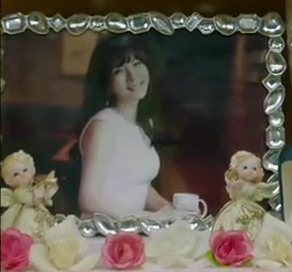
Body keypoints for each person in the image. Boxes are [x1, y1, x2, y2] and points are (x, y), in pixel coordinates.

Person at [76, 35, 173, 217]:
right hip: (104, 228)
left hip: (132, 226)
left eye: (136, 64)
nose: (133, 76)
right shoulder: (103, 126)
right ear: (107, 84)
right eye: (119, 71)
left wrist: (169, 209)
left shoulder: (143, 124)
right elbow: (89, 199)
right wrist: (144, 218)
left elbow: (138, 184)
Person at [212, 150, 272, 238]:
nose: (250, 171)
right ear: (236, 168)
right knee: (232, 221)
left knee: (257, 223)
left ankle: (252, 237)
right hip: (236, 207)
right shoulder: (237, 184)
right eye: (245, 167)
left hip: (251, 208)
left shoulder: (255, 186)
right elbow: (231, 186)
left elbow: (266, 189)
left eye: (254, 169)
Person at [0, 150, 57, 239]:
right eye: (16, 174)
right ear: (9, 181)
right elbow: (28, 199)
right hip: (27, 215)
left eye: (25, 170)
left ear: (32, 169)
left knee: (45, 228)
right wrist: (37, 197)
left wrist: (45, 195)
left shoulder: (35, 185)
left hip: (38, 212)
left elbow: (47, 201)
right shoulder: (19, 192)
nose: (23, 175)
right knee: (29, 230)